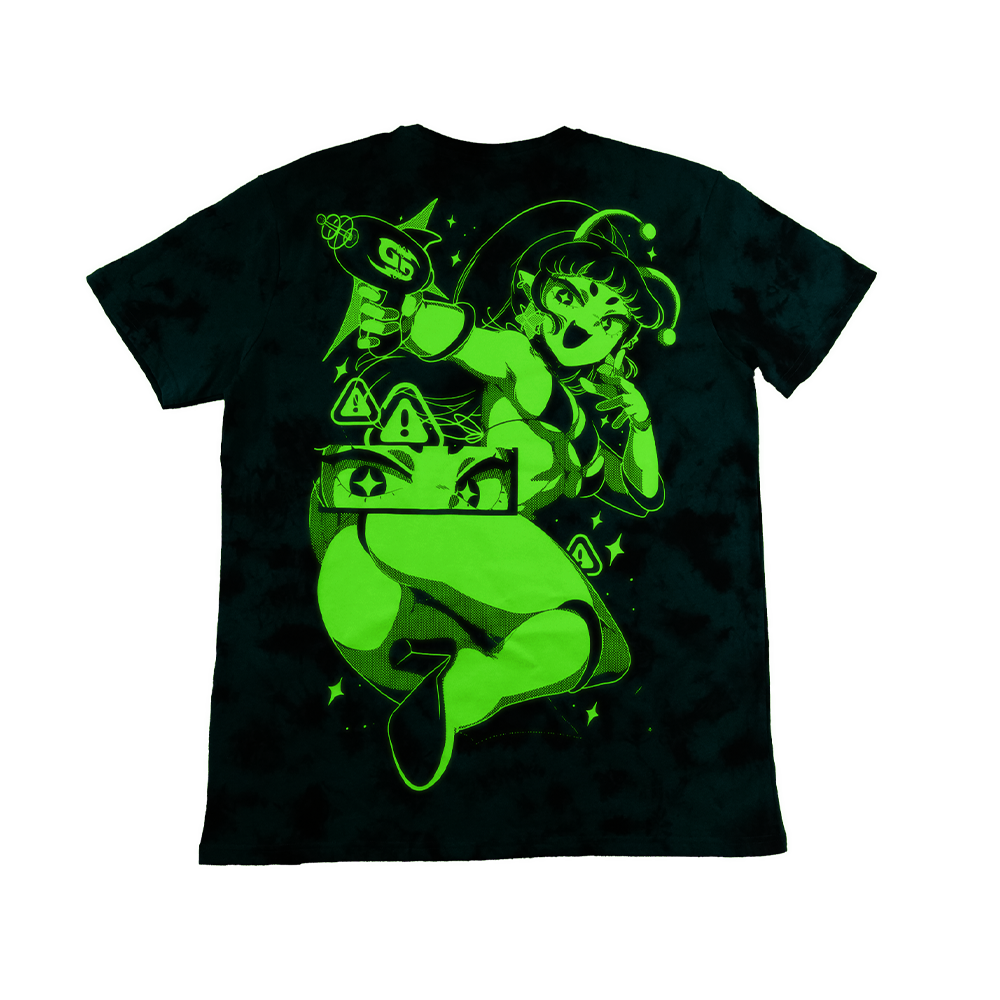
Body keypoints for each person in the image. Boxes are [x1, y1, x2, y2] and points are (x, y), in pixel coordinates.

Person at [310, 203, 681, 790]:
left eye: (609, 320)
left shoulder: (579, 432)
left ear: (621, 343)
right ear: (532, 292)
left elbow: (645, 491)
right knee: (573, 619)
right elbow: (470, 342)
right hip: (390, 549)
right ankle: (459, 680)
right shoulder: (520, 360)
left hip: (408, 643)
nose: (582, 324)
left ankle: (456, 694)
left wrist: (639, 422)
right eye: (569, 296)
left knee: (583, 639)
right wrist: (410, 313)